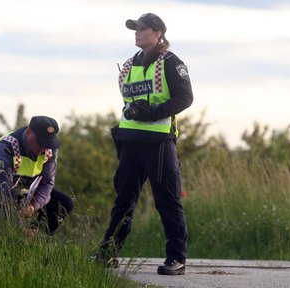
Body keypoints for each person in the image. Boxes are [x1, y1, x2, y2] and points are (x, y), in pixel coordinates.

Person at [97, 13, 193, 275]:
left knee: (168, 201)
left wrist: (150, 113)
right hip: (129, 140)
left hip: (159, 142)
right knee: (123, 201)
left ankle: (176, 258)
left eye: (141, 29)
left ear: (158, 33)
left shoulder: (171, 63)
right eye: (135, 29)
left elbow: (185, 98)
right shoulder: (129, 65)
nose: (136, 33)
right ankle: (108, 252)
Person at [0, 115, 74, 236]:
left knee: (65, 203)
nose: (44, 148)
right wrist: (19, 229)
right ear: (28, 132)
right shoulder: (6, 147)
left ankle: (35, 239)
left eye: (48, 143)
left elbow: (47, 183)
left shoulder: (50, 149)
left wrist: (33, 206)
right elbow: (4, 192)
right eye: (40, 142)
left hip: (22, 189)